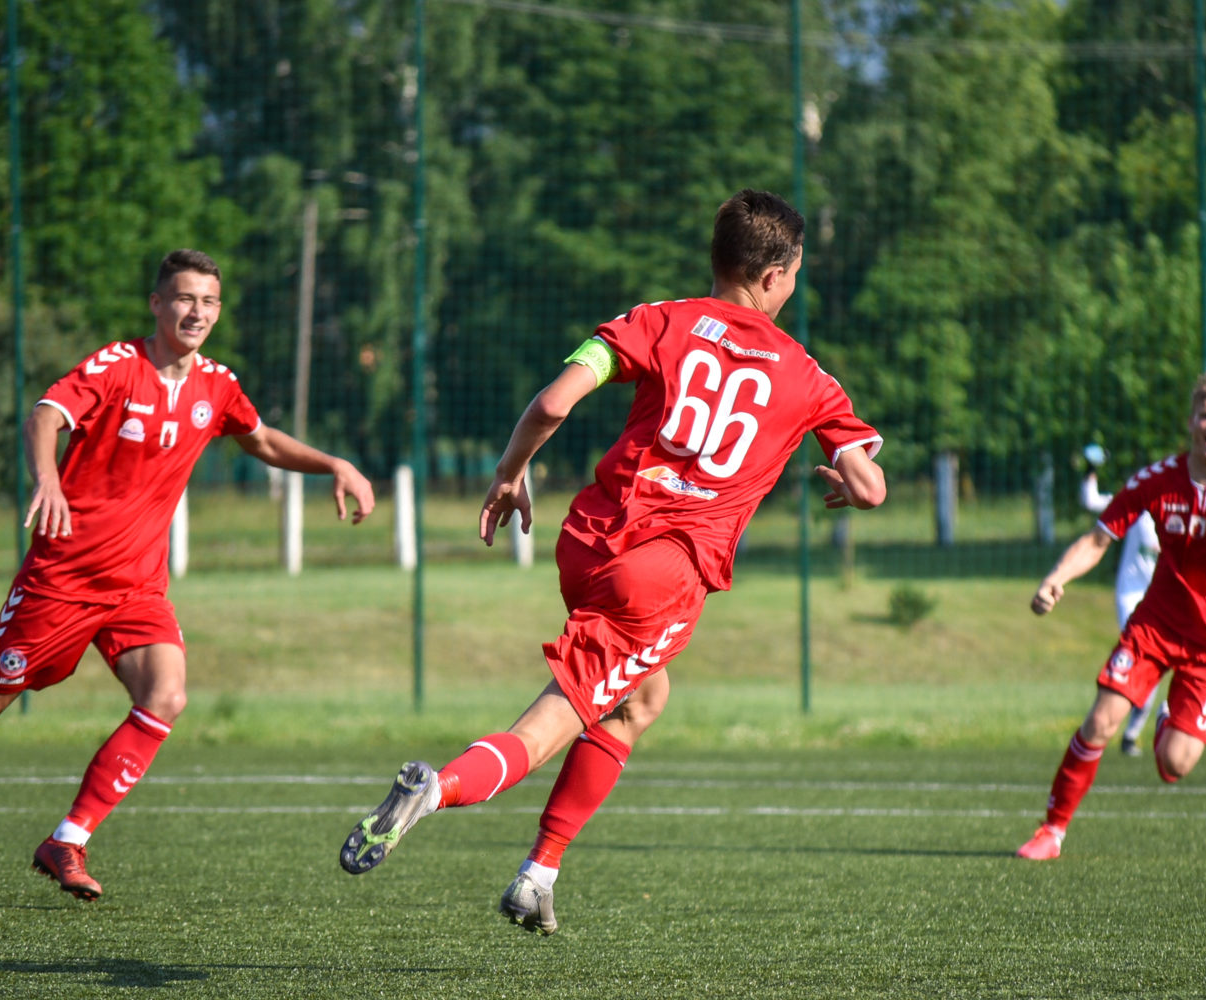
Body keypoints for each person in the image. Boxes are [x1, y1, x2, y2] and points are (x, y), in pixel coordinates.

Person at [339, 189, 887, 932]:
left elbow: (553, 403)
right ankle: (434, 790)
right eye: (795, 273)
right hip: (660, 581)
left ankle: (539, 874)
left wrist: (509, 474)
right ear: (773, 276)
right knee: (546, 727)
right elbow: (870, 485)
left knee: (640, 699)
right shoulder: (808, 375)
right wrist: (849, 489)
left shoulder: (658, 320)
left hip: (588, 540)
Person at [0, 249, 376, 899]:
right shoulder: (117, 366)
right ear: (157, 304)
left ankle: (67, 840)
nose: (197, 312)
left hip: (136, 587)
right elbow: (45, 415)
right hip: (61, 580)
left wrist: (336, 465)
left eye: (208, 302)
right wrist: (48, 477)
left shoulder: (217, 384)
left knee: (166, 695)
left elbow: (262, 439)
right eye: (184, 298)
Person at [1016, 367, 1206, 861]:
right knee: (1101, 722)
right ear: (1191, 422)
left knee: (1174, 764)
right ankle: (1052, 830)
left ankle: (1167, 720)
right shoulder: (1158, 481)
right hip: (1155, 626)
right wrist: (1057, 577)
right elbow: (1098, 539)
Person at [1078, 443, 1160, 755]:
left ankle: (1132, 734)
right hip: (1131, 596)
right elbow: (1090, 500)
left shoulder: (1181, 513)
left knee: (1156, 673)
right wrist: (1090, 469)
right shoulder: (1139, 507)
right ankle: (1116, 729)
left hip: (1162, 602)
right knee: (1141, 662)